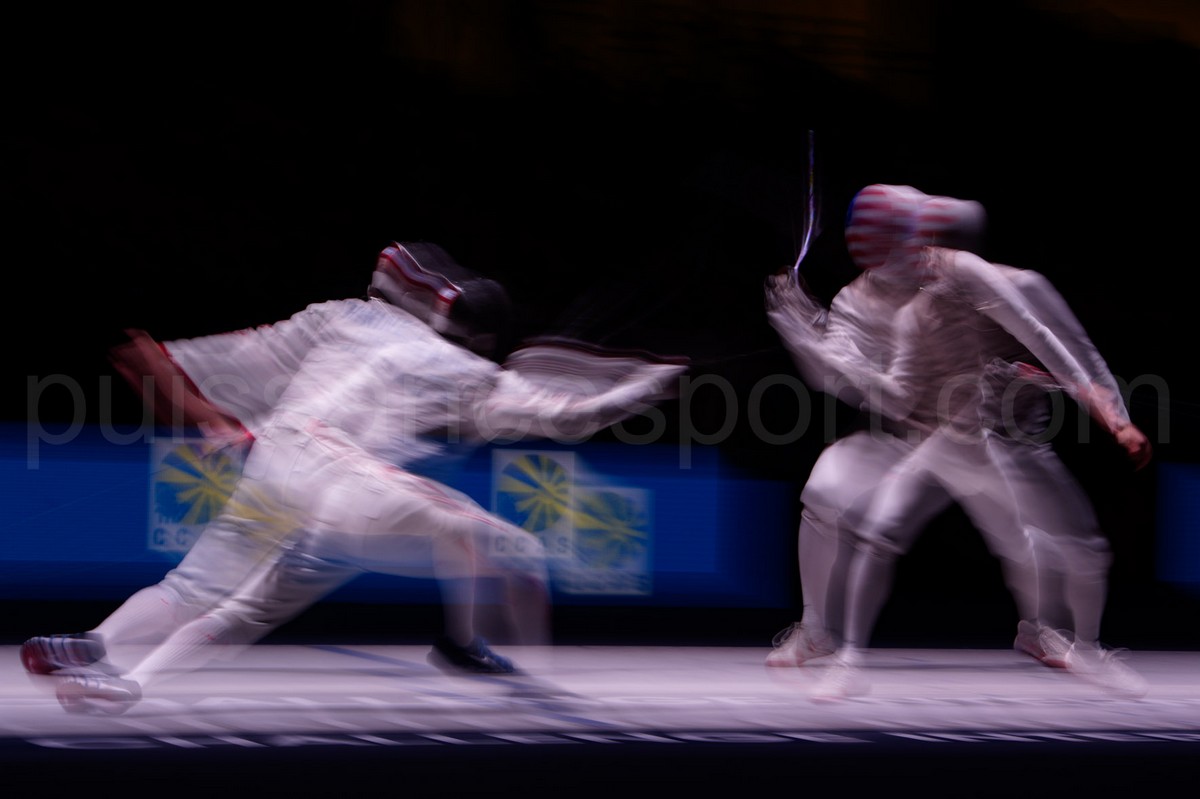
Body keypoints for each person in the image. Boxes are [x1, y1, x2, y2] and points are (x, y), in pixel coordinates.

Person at [22, 240, 687, 715]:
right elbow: (565, 417)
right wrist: (641, 387)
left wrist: (215, 417)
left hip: (281, 461)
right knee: (494, 541)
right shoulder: (463, 371)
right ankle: (493, 662)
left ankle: (106, 659)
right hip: (349, 493)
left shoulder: (342, 316)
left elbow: (239, 360)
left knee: (204, 592)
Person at [779, 196, 1152, 700]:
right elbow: (894, 395)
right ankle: (838, 650)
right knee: (870, 526)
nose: (920, 253)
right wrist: (810, 340)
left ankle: (1066, 639)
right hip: (938, 438)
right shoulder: (898, 309)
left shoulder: (992, 280)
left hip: (1007, 442)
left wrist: (1109, 414)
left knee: (1044, 545)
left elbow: (1049, 339)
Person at [763, 185, 1012, 667]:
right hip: (903, 438)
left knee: (1028, 534)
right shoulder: (856, 300)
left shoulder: (961, 281)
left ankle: (1054, 631)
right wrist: (800, 338)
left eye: (898, 235)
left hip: (978, 435)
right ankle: (815, 630)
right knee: (823, 492)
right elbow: (841, 386)